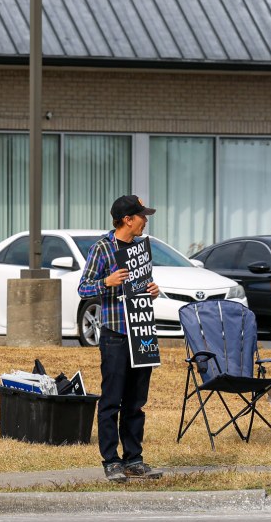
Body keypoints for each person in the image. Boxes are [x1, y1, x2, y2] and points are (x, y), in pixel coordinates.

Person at [78, 195, 164, 483]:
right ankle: (111, 460)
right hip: (115, 333)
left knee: (136, 402)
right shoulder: (102, 248)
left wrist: (151, 289)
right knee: (112, 400)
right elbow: (83, 287)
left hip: (142, 332)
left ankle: (134, 458)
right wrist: (106, 281)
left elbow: (141, 285)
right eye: (142, 215)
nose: (146, 220)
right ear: (127, 219)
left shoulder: (140, 249)